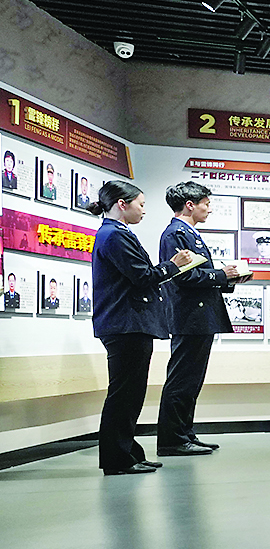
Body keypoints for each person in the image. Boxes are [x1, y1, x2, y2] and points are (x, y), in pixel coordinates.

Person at [87, 179, 197, 474]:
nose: (144, 210)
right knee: (124, 394)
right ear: (122, 204)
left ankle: (128, 453)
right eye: (141, 204)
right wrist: (173, 264)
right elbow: (142, 276)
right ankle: (117, 458)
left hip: (128, 324)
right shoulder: (113, 235)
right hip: (126, 325)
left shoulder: (116, 233)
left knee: (131, 394)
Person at [157, 181, 250, 456]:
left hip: (198, 315)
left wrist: (227, 278)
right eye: (206, 204)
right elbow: (183, 276)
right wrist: (222, 275)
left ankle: (185, 433)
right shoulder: (175, 233)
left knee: (192, 380)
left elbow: (198, 275)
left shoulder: (188, 232)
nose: (209, 209)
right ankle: (172, 439)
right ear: (190, 205)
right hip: (189, 316)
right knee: (182, 379)